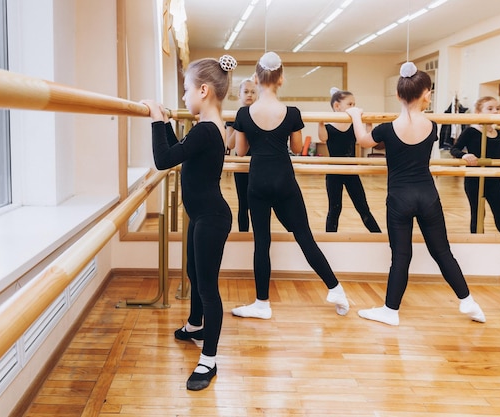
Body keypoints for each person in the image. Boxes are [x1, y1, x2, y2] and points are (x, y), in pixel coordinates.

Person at [346, 62, 485, 326]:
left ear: (398, 95)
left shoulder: (387, 128)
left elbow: (362, 140)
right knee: (442, 252)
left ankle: (391, 310)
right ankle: (469, 302)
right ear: (427, 95)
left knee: (401, 255)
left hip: (399, 198)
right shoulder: (431, 127)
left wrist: (355, 116)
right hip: (428, 195)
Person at [141, 54, 237, 391]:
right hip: (204, 214)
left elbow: (163, 160)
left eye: (186, 90)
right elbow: (180, 149)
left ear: (204, 91)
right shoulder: (207, 130)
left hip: (211, 217)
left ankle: (208, 360)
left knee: (208, 287)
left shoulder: (208, 132)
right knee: (194, 274)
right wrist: (167, 122)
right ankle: (196, 325)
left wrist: (155, 118)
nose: (183, 97)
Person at [231, 51, 349, 319]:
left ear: (257, 80)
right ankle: (336, 288)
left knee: (262, 243)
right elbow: (296, 148)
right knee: (304, 237)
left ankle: (262, 303)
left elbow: (239, 152)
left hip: (257, 181)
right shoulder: (292, 113)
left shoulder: (244, 113)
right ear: (281, 79)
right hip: (284, 180)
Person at [450, 96, 500, 233]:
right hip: (474, 179)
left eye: (497, 109)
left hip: (494, 179)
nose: (495, 111)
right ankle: (476, 243)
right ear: (478, 112)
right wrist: (464, 155)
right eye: (490, 108)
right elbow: (454, 149)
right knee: (478, 215)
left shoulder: (499, 133)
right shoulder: (470, 131)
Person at [317, 88, 381, 233]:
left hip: (352, 172)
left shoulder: (354, 126)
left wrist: (368, 122)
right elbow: (323, 138)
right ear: (337, 106)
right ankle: (330, 239)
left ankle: (378, 236)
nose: (354, 107)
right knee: (335, 208)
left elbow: (365, 137)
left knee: (363, 207)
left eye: (354, 104)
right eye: (350, 104)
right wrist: (320, 122)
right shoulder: (329, 127)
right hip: (334, 172)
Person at [226, 78, 257, 232]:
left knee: (258, 203)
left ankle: (259, 235)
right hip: (241, 165)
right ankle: (243, 234)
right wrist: (240, 123)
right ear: (239, 94)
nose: (249, 95)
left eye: (253, 92)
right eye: (246, 92)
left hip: (258, 164)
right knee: (243, 204)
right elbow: (231, 145)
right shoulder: (233, 116)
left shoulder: (259, 115)